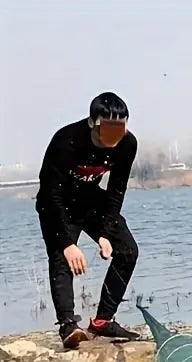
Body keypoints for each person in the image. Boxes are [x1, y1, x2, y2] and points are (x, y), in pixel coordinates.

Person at [36, 92, 141, 349]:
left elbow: (117, 189)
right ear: (93, 122)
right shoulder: (66, 141)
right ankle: (68, 326)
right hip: (56, 203)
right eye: (110, 129)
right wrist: (67, 243)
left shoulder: (127, 144)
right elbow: (51, 193)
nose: (117, 136)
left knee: (127, 250)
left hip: (92, 200)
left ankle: (103, 321)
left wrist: (105, 232)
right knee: (62, 259)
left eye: (122, 127)